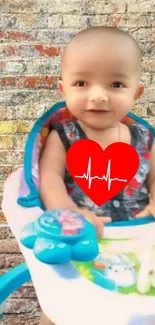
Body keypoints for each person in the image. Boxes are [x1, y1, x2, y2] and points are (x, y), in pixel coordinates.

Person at [39, 26, 155, 325]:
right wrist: (68, 212)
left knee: (133, 311)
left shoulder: (145, 139)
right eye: (82, 82)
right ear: (63, 90)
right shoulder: (63, 135)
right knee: (61, 310)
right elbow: (49, 176)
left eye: (116, 84)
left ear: (136, 92)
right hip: (82, 241)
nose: (99, 95)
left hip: (137, 243)